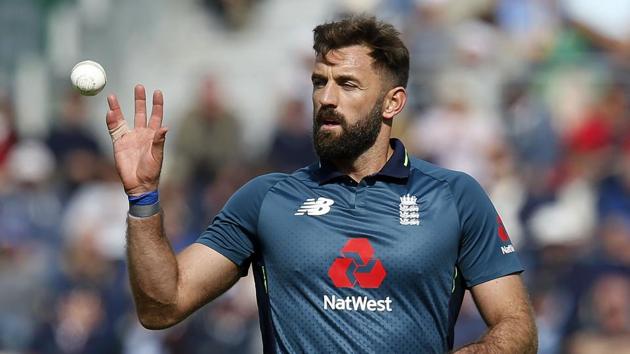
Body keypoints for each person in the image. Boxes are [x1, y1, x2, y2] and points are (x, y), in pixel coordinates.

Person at [104, 15, 537, 354]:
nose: (326, 99)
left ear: (393, 102)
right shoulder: (266, 198)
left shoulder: (455, 196)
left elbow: (517, 330)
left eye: (346, 84)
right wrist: (143, 198)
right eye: (319, 83)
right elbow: (162, 307)